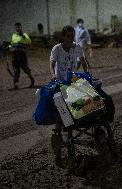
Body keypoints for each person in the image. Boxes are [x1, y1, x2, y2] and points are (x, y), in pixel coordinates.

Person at [50, 25, 88, 168]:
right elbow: (52, 63)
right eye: (68, 36)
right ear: (63, 37)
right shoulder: (57, 49)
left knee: (86, 101)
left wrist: (87, 74)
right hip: (60, 83)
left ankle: (78, 123)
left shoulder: (76, 47)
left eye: (73, 36)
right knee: (62, 111)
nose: (71, 39)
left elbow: (83, 62)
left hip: (73, 82)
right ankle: (59, 137)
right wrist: (53, 75)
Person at [9, 22, 35, 89]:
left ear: (21, 27)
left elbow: (29, 41)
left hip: (22, 54)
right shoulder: (14, 35)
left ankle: (32, 80)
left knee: (25, 68)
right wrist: (8, 46)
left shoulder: (24, 34)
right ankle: (15, 84)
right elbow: (12, 43)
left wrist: (23, 37)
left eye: (19, 27)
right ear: (15, 28)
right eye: (17, 27)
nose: (18, 28)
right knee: (15, 69)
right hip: (14, 54)